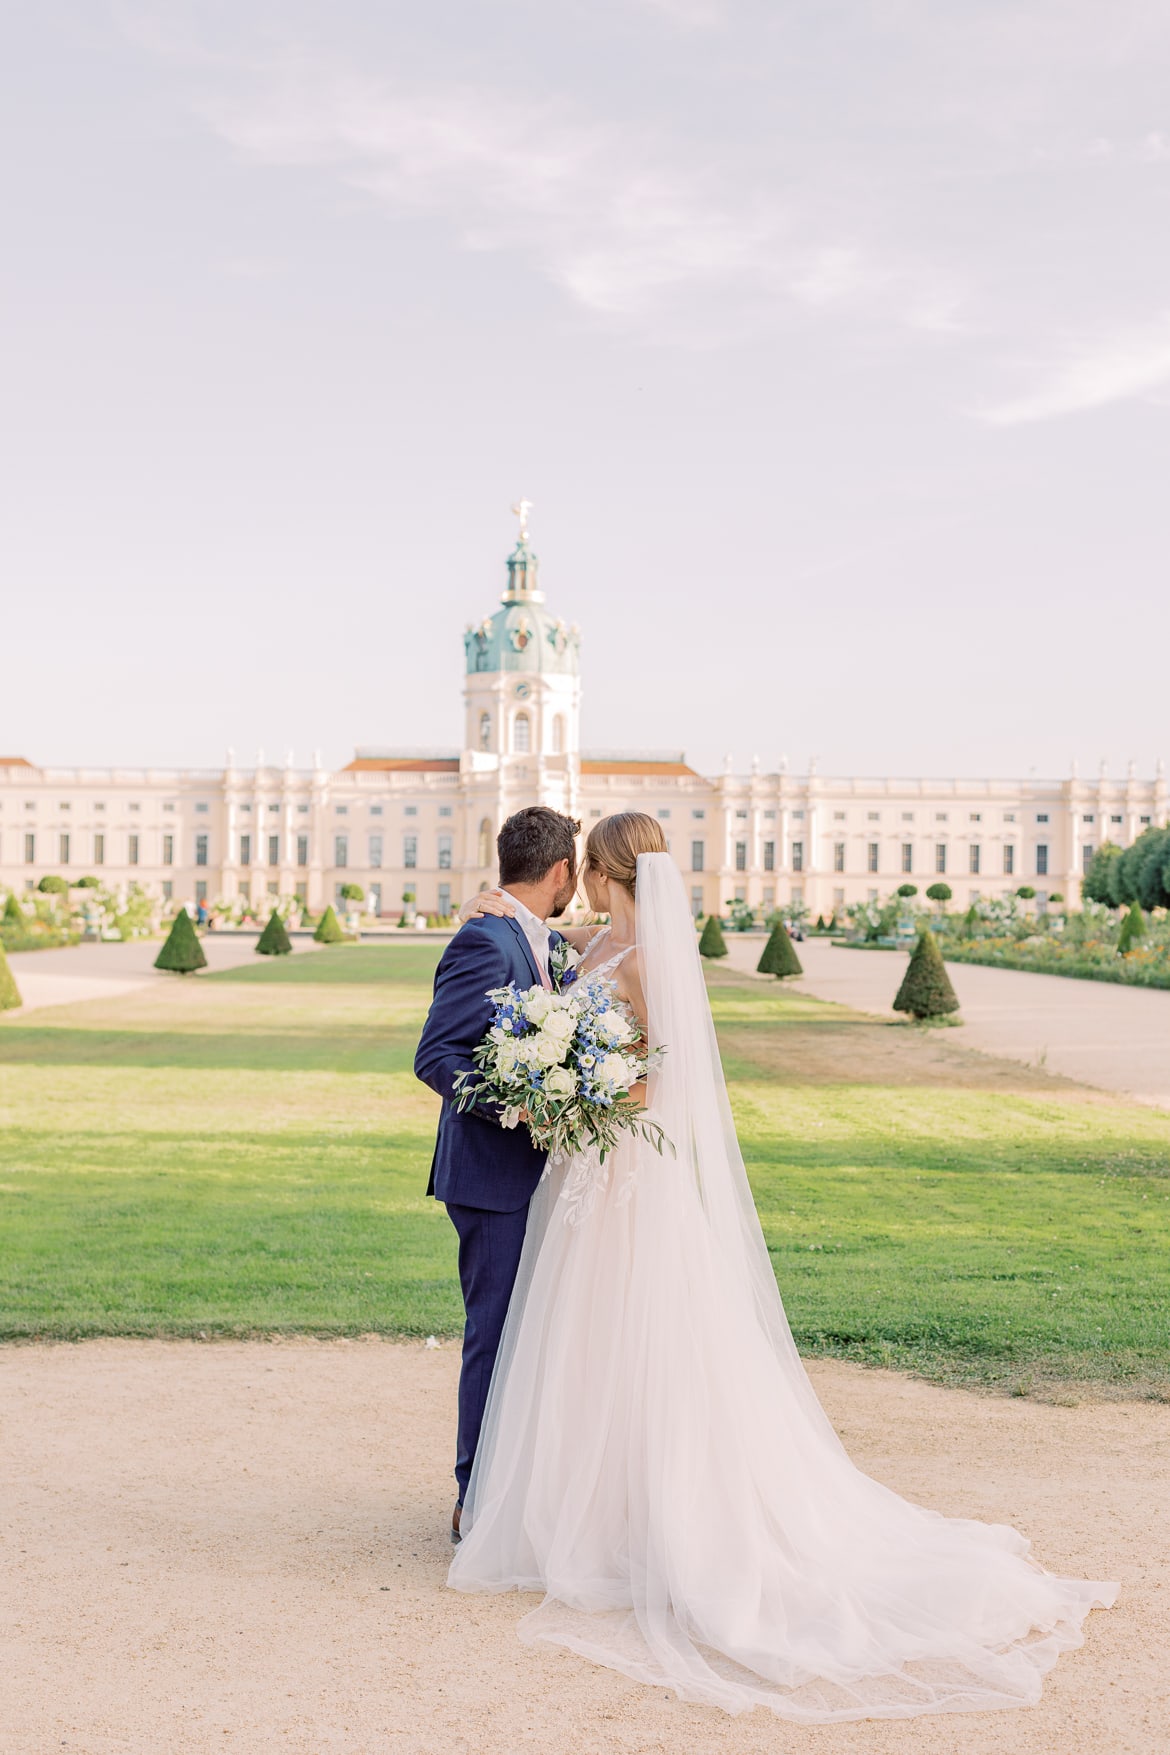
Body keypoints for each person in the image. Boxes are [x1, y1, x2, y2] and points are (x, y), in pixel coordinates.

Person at [444, 810, 1116, 1723]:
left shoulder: (645, 962)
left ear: (604, 872)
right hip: (588, 1175)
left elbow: (665, 1081)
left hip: (623, 1169)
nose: (584, 891)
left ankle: (647, 1518)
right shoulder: (591, 943)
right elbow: (542, 960)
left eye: (592, 877)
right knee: (580, 1338)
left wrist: (588, 1088)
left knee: (641, 1332)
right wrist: (509, 925)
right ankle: (585, 1510)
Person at [414, 806, 579, 1545]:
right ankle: (470, 1494)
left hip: (530, 1174)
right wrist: (515, 1110)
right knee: (494, 1334)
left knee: (527, 1335)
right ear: (560, 872)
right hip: (489, 1172)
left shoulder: (531, 936)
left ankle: (512, 1485)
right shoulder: (486, 936)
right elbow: (435, 1056)